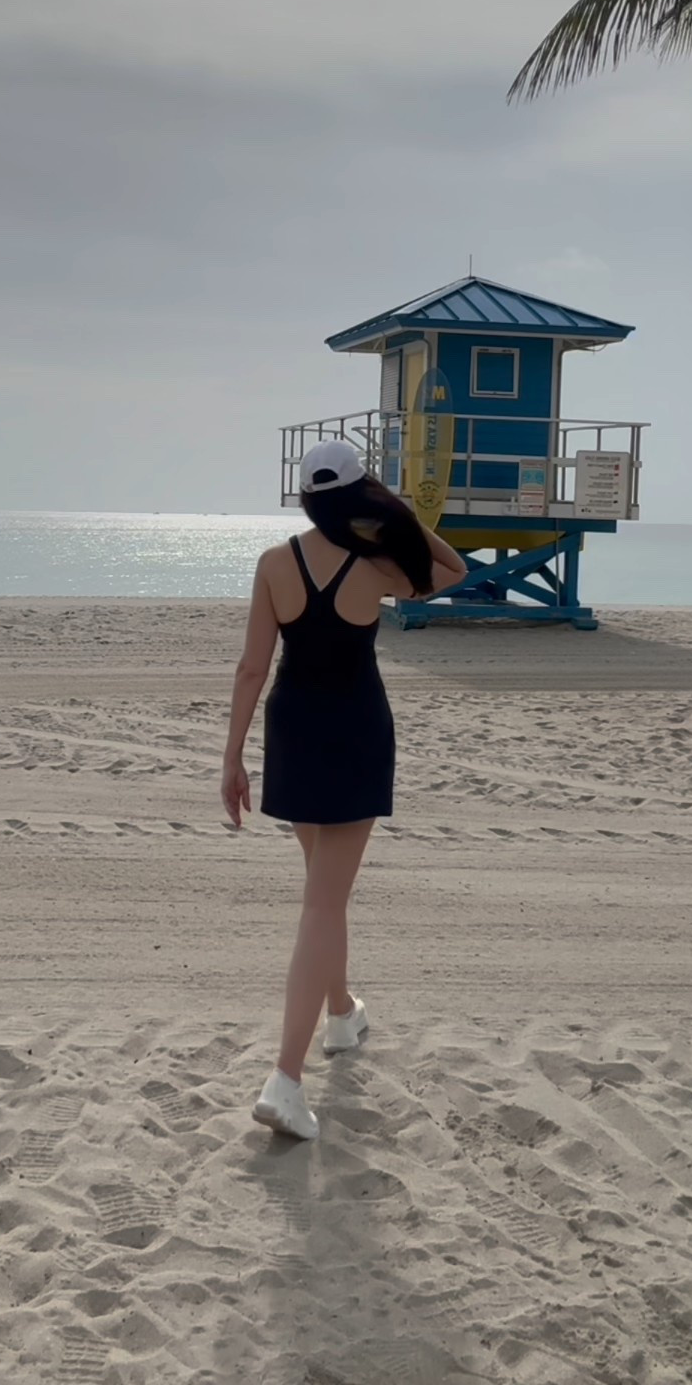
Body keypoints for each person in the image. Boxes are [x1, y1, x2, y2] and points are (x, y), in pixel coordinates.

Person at [220, 439, 468, 1141]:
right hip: (356, 729)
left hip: (294, 727)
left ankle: (342, 1015)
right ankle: (286, 1081)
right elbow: (454, 569)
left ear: (303, 496)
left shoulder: (274, 563)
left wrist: (232, 757)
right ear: (358, 494)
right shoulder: (378, 566)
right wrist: (394, 506)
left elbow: (249, 668)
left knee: (322, 891)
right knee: (323, 901)